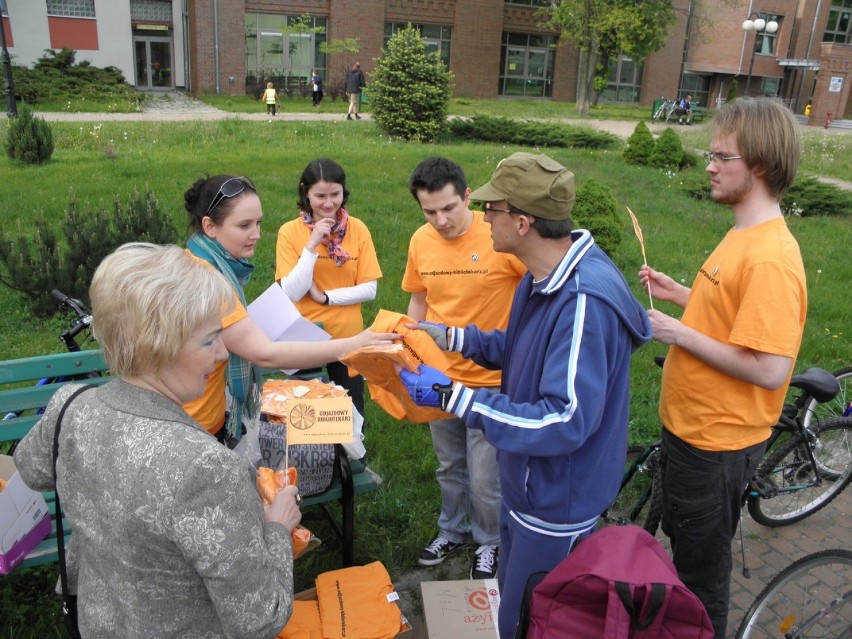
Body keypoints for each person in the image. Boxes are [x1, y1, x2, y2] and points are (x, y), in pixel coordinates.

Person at [397, 152, 653, 638]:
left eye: (491, 209)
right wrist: (452, 337)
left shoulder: (582, 302)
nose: (483, 218)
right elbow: (517, 348)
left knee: (543, 615)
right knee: (513, 601)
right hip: (527, 482)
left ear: (522, 221)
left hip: (556, 496)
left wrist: (456, 398)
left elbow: (564, 419)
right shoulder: (538, 276)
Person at [13, 243, 302, 638]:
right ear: (157, 348)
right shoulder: (208, 470)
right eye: (208, 340)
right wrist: (277, 529)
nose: (222, 353)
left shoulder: (69, 408)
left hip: (99, 623)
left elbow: (31, 469)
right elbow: (260, 618)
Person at [639, 97, 807, 639]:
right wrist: (685, 296)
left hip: (716, 445)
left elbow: (769, 369)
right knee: (687, 549)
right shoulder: (742, 233)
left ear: (758, 165)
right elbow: (736, 316)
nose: (709, 164)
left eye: (721, 155)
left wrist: (676, 331)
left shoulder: (771, 257)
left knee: (701, 577)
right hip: (691, 429)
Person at [184, 174, 397, 446]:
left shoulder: (196, 261)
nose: (257, 234)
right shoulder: (211, 283)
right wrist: (355, 344)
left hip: (195, 418)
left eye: (258, 223)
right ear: (210, 227)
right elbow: (266, 354)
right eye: (244, 225)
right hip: (196, 428)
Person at [403, 157, 526, 580]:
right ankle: (451, 530)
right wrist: (413, 352)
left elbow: (540, 293)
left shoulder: (500, 239)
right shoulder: (421, 241)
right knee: (449, 466)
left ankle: (489, 541)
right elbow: (419, 299)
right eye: (430, 211)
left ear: (468, 196)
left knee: (484, 476)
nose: (440, 220)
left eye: (449, 208)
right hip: (439, 377)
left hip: (491, 382)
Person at [276, 159, 382, 432]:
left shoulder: (358, 229)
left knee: (350, 412)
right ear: (305, 193)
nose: (328, 203)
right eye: (319, 196)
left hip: (348, 337)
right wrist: (311, 245)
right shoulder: (289, 232)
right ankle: (312, 472)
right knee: (305, 418)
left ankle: (353, 469)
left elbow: (369, 289)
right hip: (303, 338)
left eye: (335, 194)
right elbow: (293, 291)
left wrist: (326, 298)